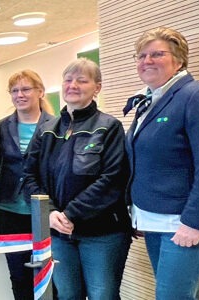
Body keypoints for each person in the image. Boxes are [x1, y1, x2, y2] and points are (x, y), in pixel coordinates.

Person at [125, 27, 199, 300]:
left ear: (179, 60)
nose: (146, 61)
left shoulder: (196, 96)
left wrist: (193, 222)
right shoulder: (151, 100)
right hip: (155, 219)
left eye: (157, 54)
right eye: (141, 55)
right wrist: (137, 212)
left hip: (183, 221)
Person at [22, 58, 131, 300]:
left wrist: (71, 214)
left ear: (97, 87)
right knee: (67, 294)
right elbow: (29, 175)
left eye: (82, 81)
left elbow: (112, 179)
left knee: (102, 294)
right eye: (68, 80)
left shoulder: (109, 126)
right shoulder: (47, 129)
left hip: (102, 233)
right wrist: (49, 212)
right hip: (59, 232)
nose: (73, 85)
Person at [0, 70, 54, 300]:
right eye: (15, 91)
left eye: (26, 89)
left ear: (40, 91)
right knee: (18, 275)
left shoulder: (55, 125)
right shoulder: (1, 127)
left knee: (48, 274)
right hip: (9, 212)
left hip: (44, 213)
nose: (20, 95)